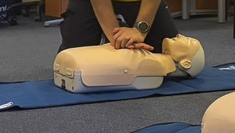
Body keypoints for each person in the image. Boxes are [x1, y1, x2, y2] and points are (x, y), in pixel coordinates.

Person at [53, 35, 205, 92]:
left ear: (185, 63)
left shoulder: (154, 64)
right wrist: (118, 39)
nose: (180, 35)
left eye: (189, 41)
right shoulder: (152, 60)